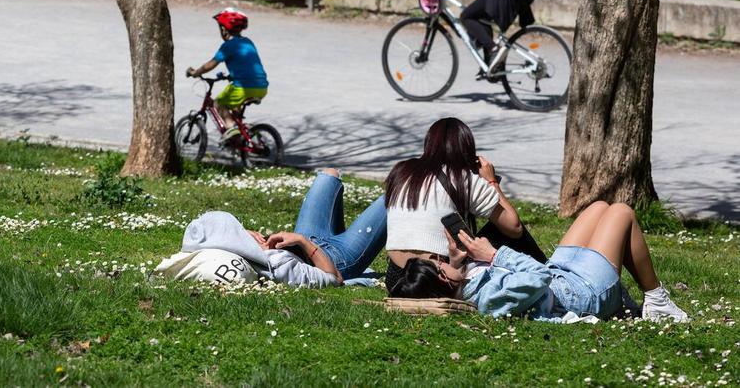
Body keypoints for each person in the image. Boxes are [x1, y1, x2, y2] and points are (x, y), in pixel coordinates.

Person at [390, 201, 689, 323]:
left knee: (598, 207)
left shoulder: (460, 285)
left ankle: (635, 298)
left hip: (563, 277)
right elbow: (537, 279)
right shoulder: (491, 300)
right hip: (581, 294)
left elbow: (544, 276)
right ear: (443, 280)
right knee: (621, 212)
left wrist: (460, 261)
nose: (441, 261)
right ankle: (657, 301)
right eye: (440, 265)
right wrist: (494, 255)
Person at [384, 117, 547, 294]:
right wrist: (492, 182)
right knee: (505, 228)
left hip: (396, 277)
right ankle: (547, 273)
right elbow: (514, 228)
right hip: (437, 274)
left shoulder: (401, 171)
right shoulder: (462, 178)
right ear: (467, 149)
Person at [177, 168, 387, 288]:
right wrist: (302, 242)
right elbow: (334, 279)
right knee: (396, 196)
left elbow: (204, 232)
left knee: (328, 175)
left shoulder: (221, 247)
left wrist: (245, 235)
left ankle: (342, 232)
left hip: (307, 235)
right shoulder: (278, 268)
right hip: (338, 259)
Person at [186, 7, 269, 142]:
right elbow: (247, 63)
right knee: (234, 105)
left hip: (243, 87)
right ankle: (240, 138)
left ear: (224, 29)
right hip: (262, 87)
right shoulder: (248, 42)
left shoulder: (228, 46)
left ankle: (232, 129)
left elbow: (210, 64)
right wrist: (232, 75)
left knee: (218, 103)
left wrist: (195, 72)